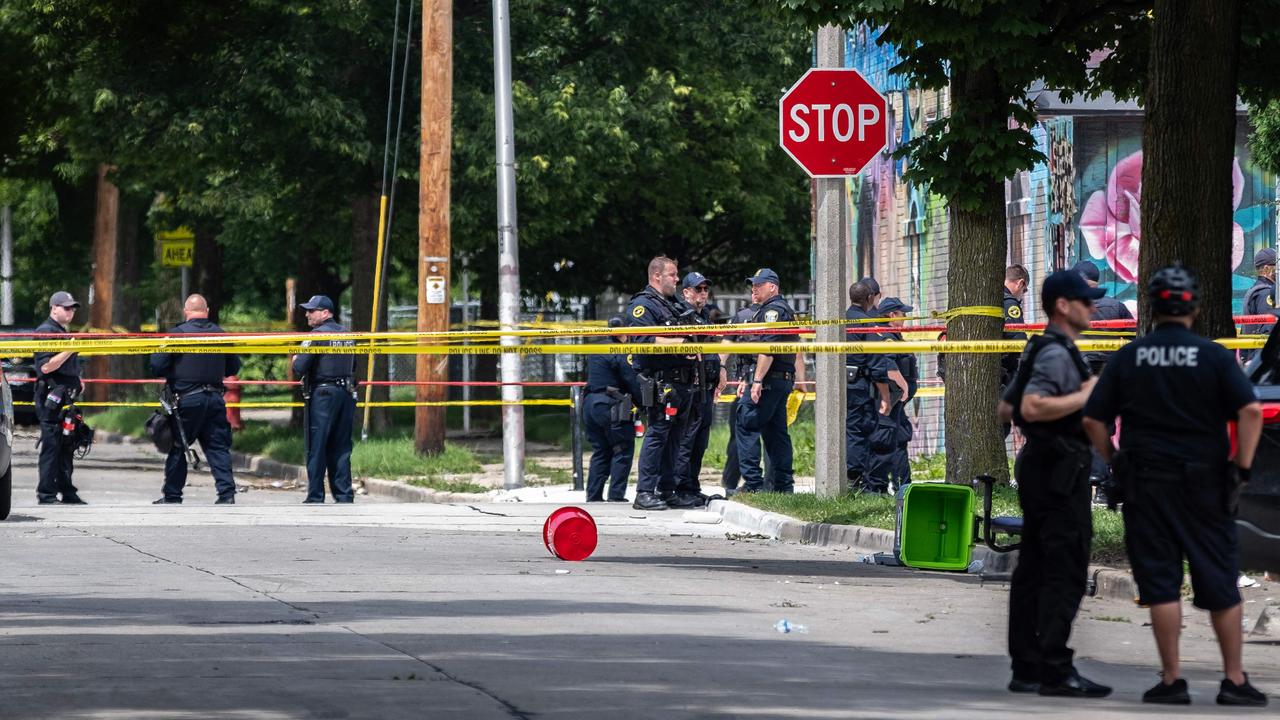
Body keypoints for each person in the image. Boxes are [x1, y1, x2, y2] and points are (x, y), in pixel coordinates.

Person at [1084, 265, 1268, 707]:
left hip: (1147, 483)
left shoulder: (1130, 357)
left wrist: (1113, 463)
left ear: (1152, 307)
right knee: (1221, 580)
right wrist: (1240, 468)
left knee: (1161, 583)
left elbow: (1093, 419)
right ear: (1196, 308)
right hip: (1205, 482)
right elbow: (1251, 413)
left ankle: (1171, 679)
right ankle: (1234, 680)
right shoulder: (1214, 356)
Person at [996, 269, 1110, 699]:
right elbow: (1029, 405)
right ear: (1063, 306)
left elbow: (1006, 408)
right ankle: (1054, 669)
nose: (1093, 307)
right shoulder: (1056, 353)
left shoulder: (1040, 346)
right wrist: (1087, 393)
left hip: (1043, 466)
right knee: (1064, 568)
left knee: (1035, 568)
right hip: (1058, 470)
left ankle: (1027, 665)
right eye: (1086, 300)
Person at [149, 294, 241, 504]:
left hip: (187, 401)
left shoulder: (177, 334)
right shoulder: (222, 335)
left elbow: (157, 366)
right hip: (216, 399)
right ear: (206, 311)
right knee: (218, 447)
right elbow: (233, 368)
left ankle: (172, 495)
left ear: (186, 312)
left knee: (178, 446)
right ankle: (227, 494)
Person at [626, 256, 702, 510]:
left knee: (675, 439)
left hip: (682, 382)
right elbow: (642, 342)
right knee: (657, 435)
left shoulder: (674, 305)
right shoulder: (643, 305)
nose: (677, 279)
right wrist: (681, 345)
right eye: (673, 274)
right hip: (661, 383)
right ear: (657, 276)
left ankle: (667, 489)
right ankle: (644, 492)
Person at [736, 268, 801, 493]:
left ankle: (753, 484)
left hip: (769, 379)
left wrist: (756, 381)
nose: (754, 288)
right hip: (781, 379)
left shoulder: (772, 311)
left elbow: (768, 348)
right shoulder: (782, 309)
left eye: (759, 285)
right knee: (776, 433)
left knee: (746, 424)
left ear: (772, 287)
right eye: (753, 285)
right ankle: (783, 486)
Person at [291, 295, 357, 504]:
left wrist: (295, 359)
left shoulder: (317, 335)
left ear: (325, 313)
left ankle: (316, 495)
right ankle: (344, 495)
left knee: (317, 445)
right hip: (345, 394)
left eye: (312, 311)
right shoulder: (347, 335)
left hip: (323, 396)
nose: (307, 314)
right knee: (342, 446)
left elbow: (299, 367)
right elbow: (354, 367)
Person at [674, 271, 726, 499]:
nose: (703, 293)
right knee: (686, 441)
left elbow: (709, 350)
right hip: (688, 388)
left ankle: (692, 488)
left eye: (705, 289)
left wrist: (720, 370)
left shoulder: (704, 315)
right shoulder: (680, 316)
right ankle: (680, 488)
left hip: (705, 387)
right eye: (698, 289)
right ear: (686, 292)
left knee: (699, 443)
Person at [33, 291, 86, 505]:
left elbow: (67, 365)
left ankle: (67, 491)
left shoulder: (62, 332)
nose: (70, 311)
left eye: (72, 308)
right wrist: (69, 348)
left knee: (67, 445)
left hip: (67, 398)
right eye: (66, 307)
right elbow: (45, 366)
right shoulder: (45, 331)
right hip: (51, 398)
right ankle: (46, 493)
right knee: (53, 445)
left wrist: (78, 379)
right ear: (53, 308)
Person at [844, 281, 897, 492]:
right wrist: (885, 397)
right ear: (869, 299)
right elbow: (876, 364)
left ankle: (851, 478)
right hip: (859, 385)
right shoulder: (868, 323)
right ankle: (857, 481)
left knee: (847, 431)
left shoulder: (839, 320)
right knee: (859, 432)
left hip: (838, 386)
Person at [583, 316, 642, 503]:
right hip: (611, 405)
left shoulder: (597, 347)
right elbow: (630, 379)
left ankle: (593, 496)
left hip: (591, 404)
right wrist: (644, 403)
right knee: (622, 449)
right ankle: (616, 496)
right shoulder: (619, 350)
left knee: (601, 451)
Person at [872, 297, 918, 490]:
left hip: (895, 400)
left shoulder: (892, 334)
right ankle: (886, 485)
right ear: (892, 315)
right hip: (890, 398)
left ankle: (902, 485)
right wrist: (904, 387)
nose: (905, 317)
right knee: (891, 440)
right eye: (902, 314)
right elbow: (889, 366)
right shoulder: (888, 336)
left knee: (899, 438)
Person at [721, 301, 763, 495]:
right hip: (759, 381)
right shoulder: (782, 313)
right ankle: (776, 483)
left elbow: (726, 348)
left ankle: (748, 483)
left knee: (743, 433)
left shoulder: (741, 317)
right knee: (773, 435)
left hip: (752, 382)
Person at [1072, 260, 1134, 376]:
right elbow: (1134, 338)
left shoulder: (1067, 308)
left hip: (1078, 370)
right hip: (1110, 370)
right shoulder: (1117, 306)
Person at [1240, 247, 1276, 363]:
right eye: (1277, 266)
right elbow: (1267, 330)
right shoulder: (1265, 294)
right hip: (1260, 360)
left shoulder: (1255, 289)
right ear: (1266, 269)